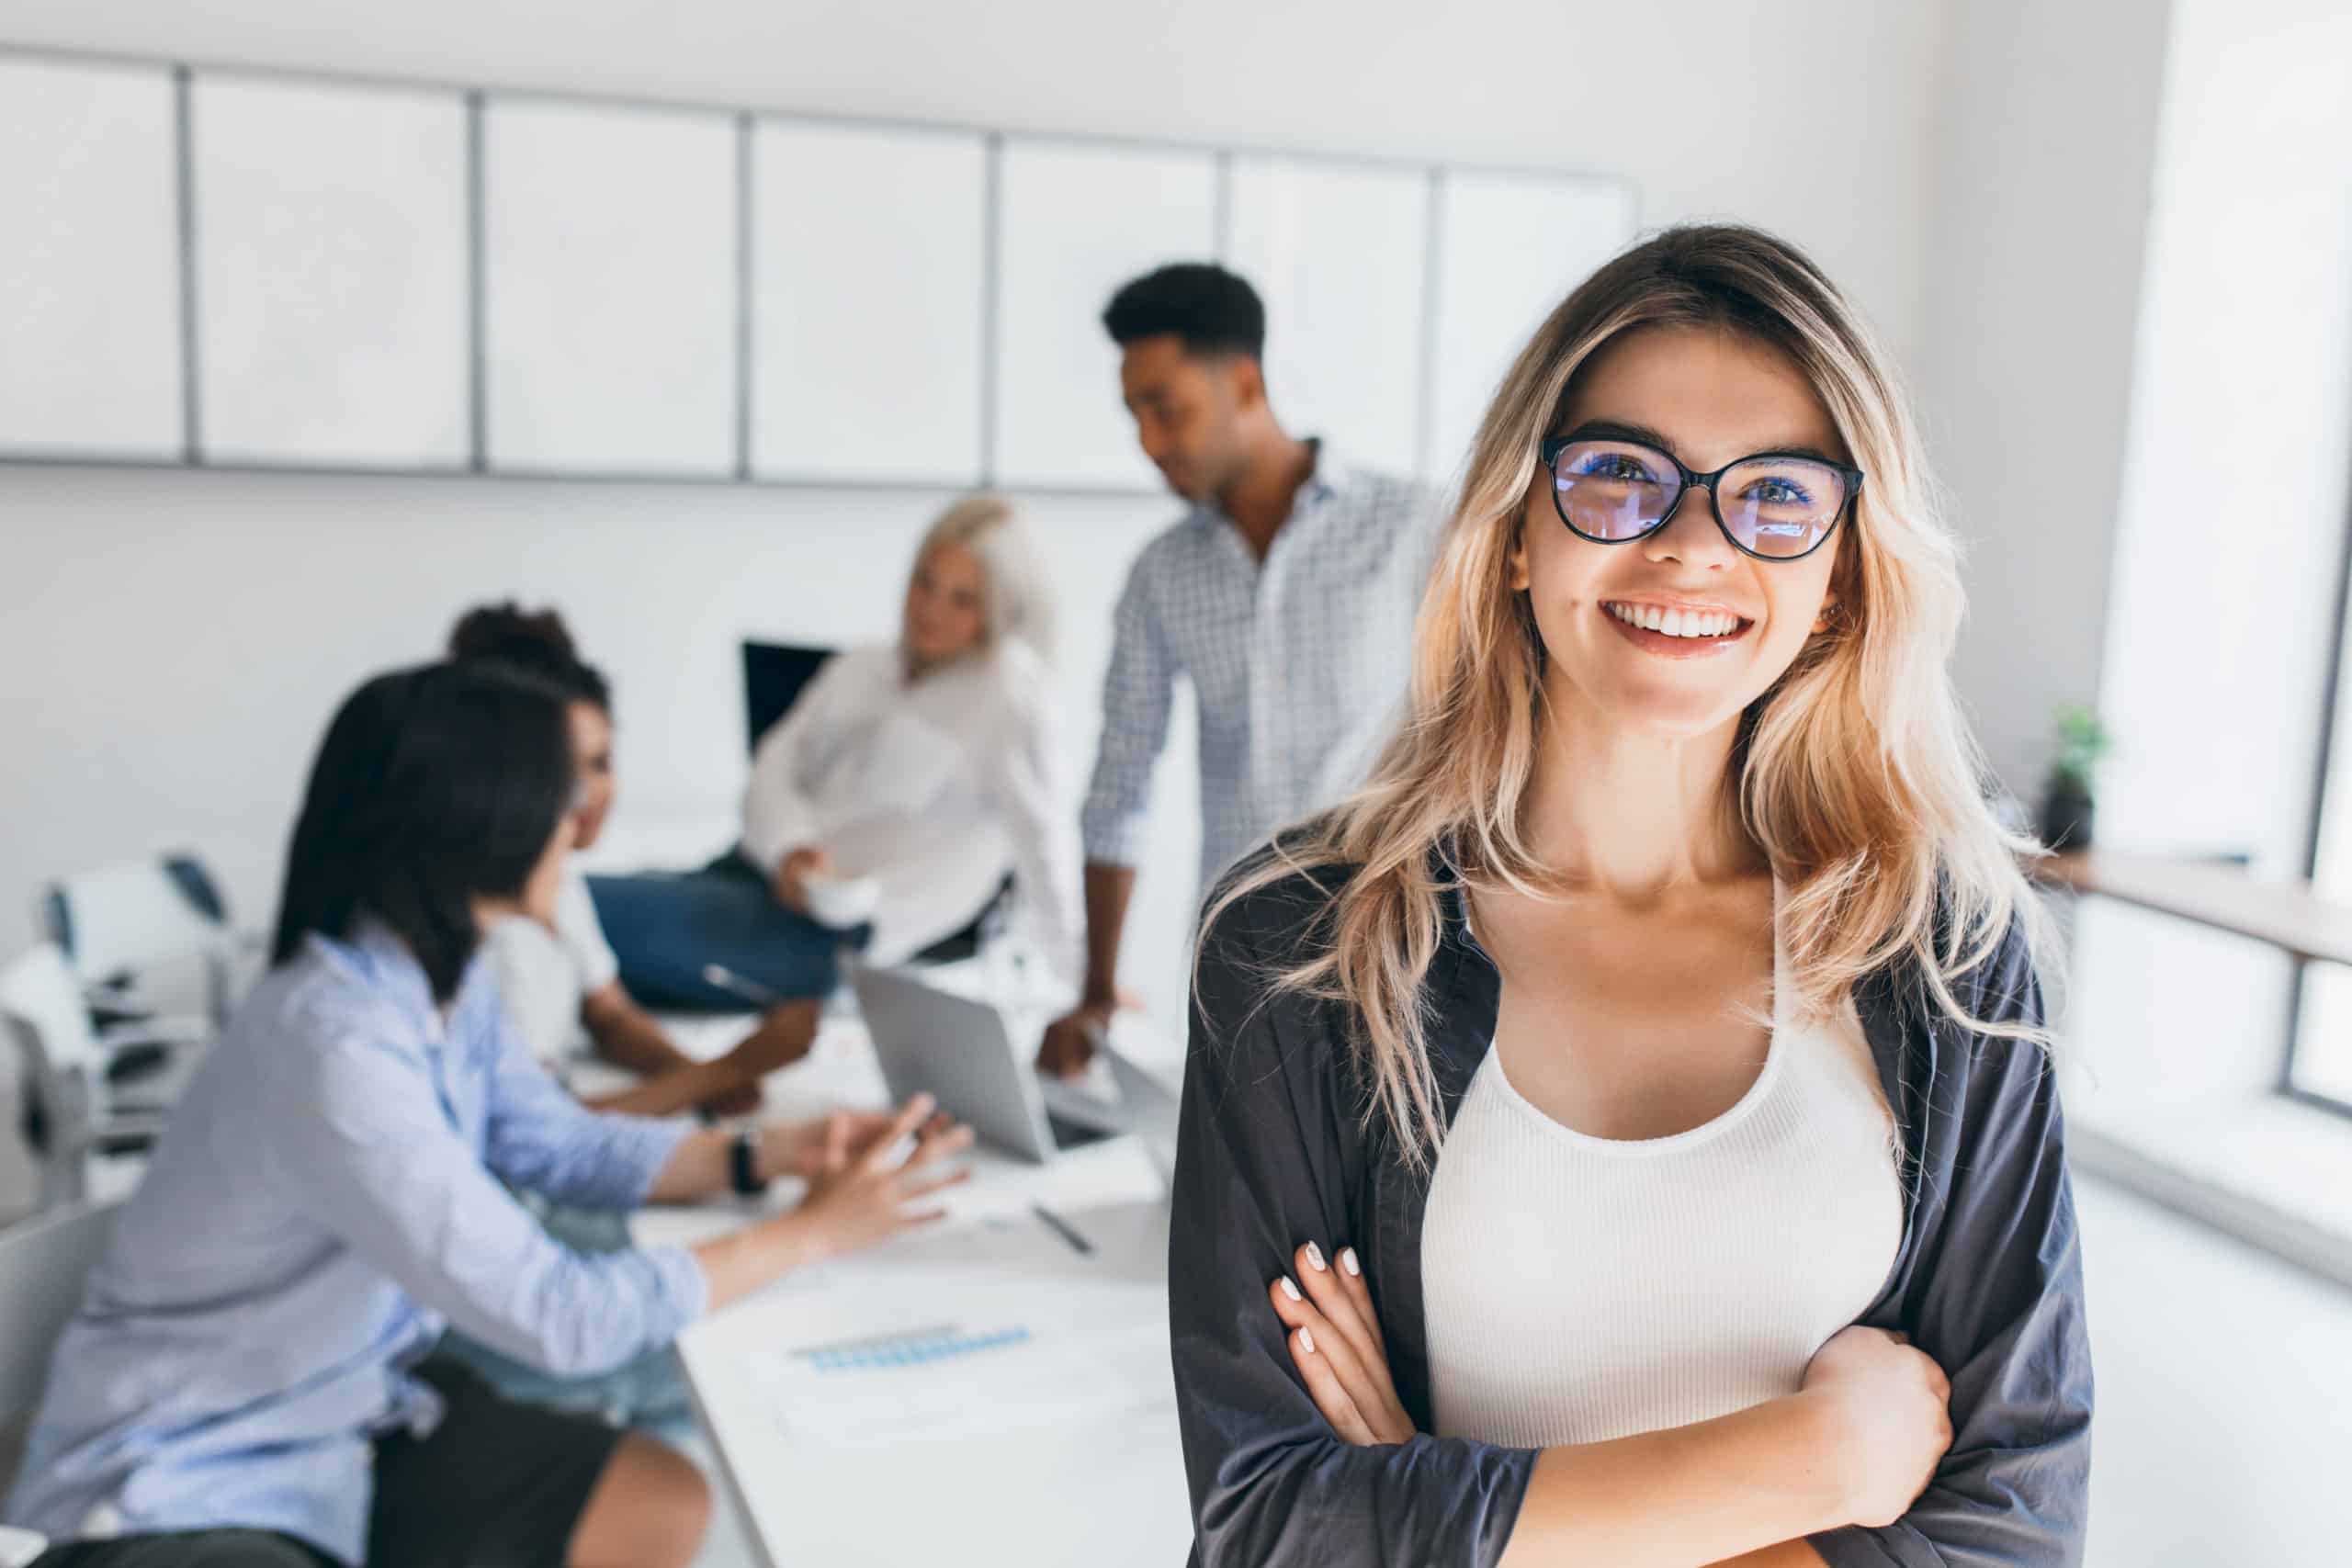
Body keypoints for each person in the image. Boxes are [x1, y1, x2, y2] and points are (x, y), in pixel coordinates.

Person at [1167, 225, 2092, 1567]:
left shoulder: (1945, 949)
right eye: (1617, 476)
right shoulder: (1301, 947)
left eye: (1774, 495)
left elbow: (2016, 1531)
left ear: (1837, 578)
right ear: (1519, 534)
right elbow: (1266, 1525)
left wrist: (1433, 1505)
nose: (1691, 544)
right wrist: (1815, 1458)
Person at [7, 662, 970, 1568]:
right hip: (182, 1480)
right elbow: (558, 1315)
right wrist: (812, 1236)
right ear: (483, 821)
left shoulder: (436, 981)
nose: (579, 820)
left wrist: (766, 1157)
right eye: (564, 793)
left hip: (344, 1409)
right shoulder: (335, 1048)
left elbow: (558, 1142)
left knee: (662, 1501)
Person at [1036, 263, 1443, 1077]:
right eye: (1135, 415)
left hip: (1404, 947)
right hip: (1241, 957)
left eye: (1167, 408)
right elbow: (1121, 785)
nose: (1150, 442)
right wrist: (1095, 990)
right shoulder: (1161, 574)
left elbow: (1495, 722)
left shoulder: (1416, 527)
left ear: (1245, 384)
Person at [591, 493, 1082, 1010]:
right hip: (746, 876)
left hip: (821, 939)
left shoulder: (1010, 699)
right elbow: (774, 766)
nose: (931, 610)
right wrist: (790, 850)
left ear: (996, 610)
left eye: (962, 599)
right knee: (566, 933)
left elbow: (1048, 849)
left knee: (570, 911)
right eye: (924, 582)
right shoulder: (865, 666)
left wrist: (1084, 988)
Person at [449, 603, 812, 1119]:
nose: (588, 794)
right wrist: (723, 1072)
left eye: (602, 764)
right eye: (567, 770)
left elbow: (610, 1015)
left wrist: (692, 1075)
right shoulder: (492, 937)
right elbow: (532, 1139)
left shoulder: (561, 885)